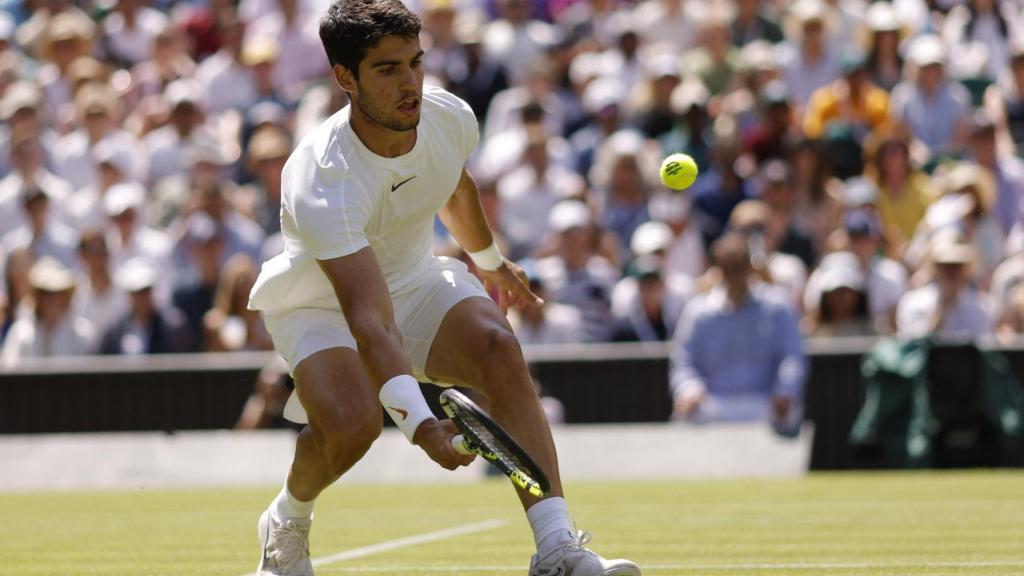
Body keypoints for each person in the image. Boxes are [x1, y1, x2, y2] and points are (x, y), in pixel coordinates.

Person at [245, 3, 639, 576]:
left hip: (414, 279)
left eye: (416, 62)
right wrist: (421, 426)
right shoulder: (321, 178)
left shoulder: (446, 116)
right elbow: (369, 319)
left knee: (499, 347)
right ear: (344, 78)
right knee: (352, 427)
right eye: (387, 70)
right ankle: (287, 519)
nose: (410, 83)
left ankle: (557, 550)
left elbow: (452, 186)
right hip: (325, 305)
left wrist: (489, 262)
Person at [669, 233, 806, 435]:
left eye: (739, 267)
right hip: (714, 405)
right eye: (728, 268)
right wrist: (690, 391)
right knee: (683, 417)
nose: (734, 275)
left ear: (749, 266)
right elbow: (683, 362)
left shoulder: (777, 307)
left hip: (765, 403)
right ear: (719, 269)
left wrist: (784, 391)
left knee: (790, 415)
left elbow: (792, 356)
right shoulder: (698, 312)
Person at [1, 256, 96, 363]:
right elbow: (9, 371)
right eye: (45, 293)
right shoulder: (20, 333)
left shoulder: (83, 335)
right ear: (37, 296)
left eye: (59, 293)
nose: (52, 299)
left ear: (66, 296)